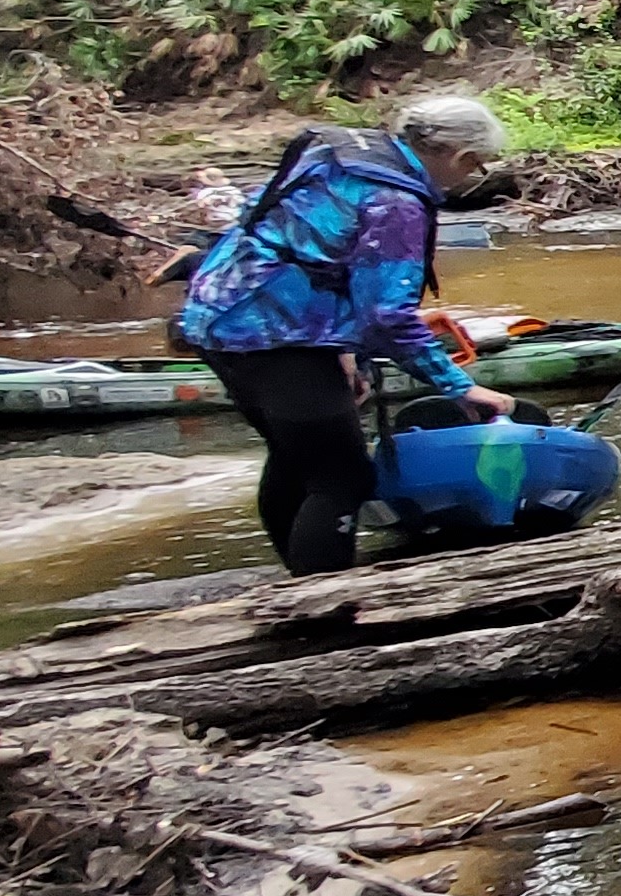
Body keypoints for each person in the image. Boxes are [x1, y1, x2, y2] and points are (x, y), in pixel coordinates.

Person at [176, 97, 516, 574]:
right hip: (274, 335)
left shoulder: (340, 153)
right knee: (343, 476)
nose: (470, 176)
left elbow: (297, 241)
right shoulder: (397, 202)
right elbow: (387, 315)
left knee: (297, 458)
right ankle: (325, 601)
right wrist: (460, 385)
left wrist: (343, 351)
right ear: (460, 156)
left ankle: (297, 581)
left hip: (218, 312)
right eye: (476, 166)